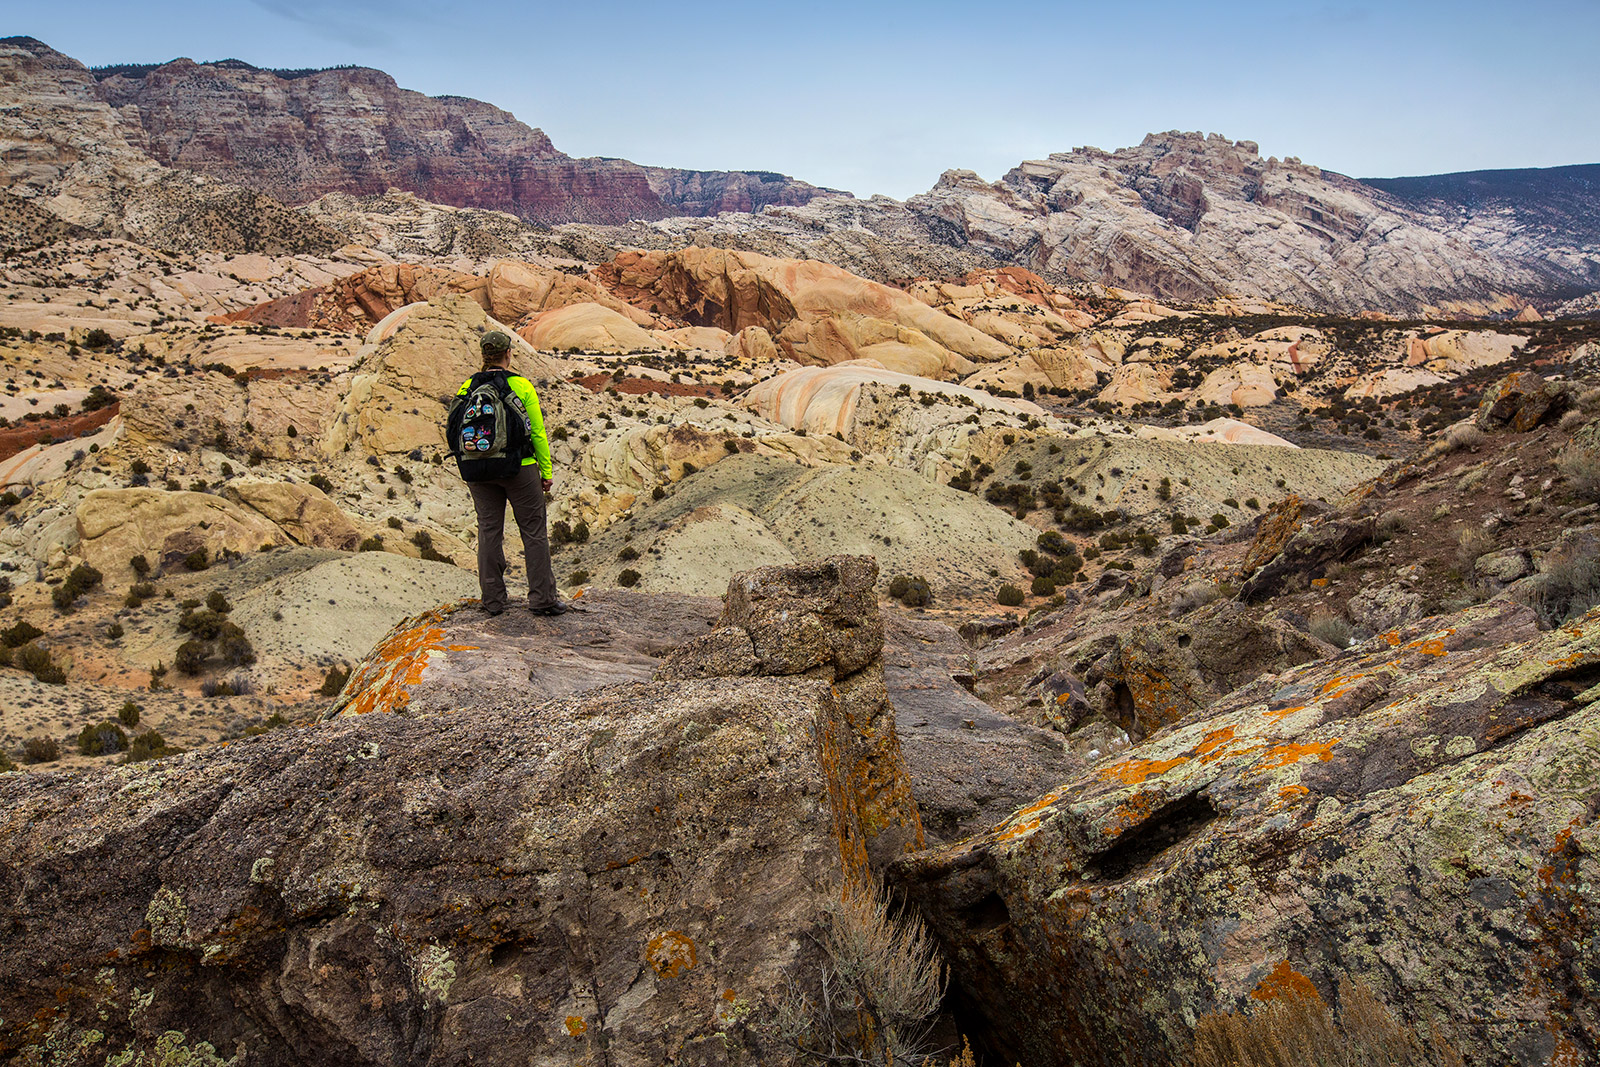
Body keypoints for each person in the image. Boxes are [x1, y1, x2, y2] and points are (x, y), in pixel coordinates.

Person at [456, 331, 568, 616]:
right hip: (520, 466)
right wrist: (546, 470)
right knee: (533, 532)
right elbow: (538, 432)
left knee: (489, 530)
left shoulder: (467, 386)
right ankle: (542, 599)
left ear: (483, 356)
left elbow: (453, 427)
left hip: (478, 468)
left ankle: (493, 601)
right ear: (508, 354)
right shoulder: (521, 385)